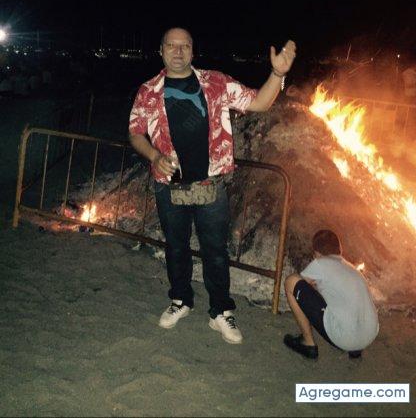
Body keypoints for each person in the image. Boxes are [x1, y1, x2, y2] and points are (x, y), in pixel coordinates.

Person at [129, 27, 296, 344]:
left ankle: (220, 311)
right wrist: (154, 156)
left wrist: (277, 74)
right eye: (171, 45)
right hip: (169, 184)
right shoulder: (148, 91)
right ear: (161, 50)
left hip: (211, 184)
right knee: (176, 246)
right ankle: (181, 300)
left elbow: (259, 102)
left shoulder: (216, 83)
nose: (178, 51)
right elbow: (135, 132)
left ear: (193, 51)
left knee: (215, 251)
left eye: (185, 46)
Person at [283, 229, 379, 359]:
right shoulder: (352, 269)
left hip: (344, 338)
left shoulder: (320, 263)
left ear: (316, 253)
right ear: (340, 250)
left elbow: (300, 286)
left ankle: (308, 344)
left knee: (291, 281)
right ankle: (355, 350)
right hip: (369, 334)